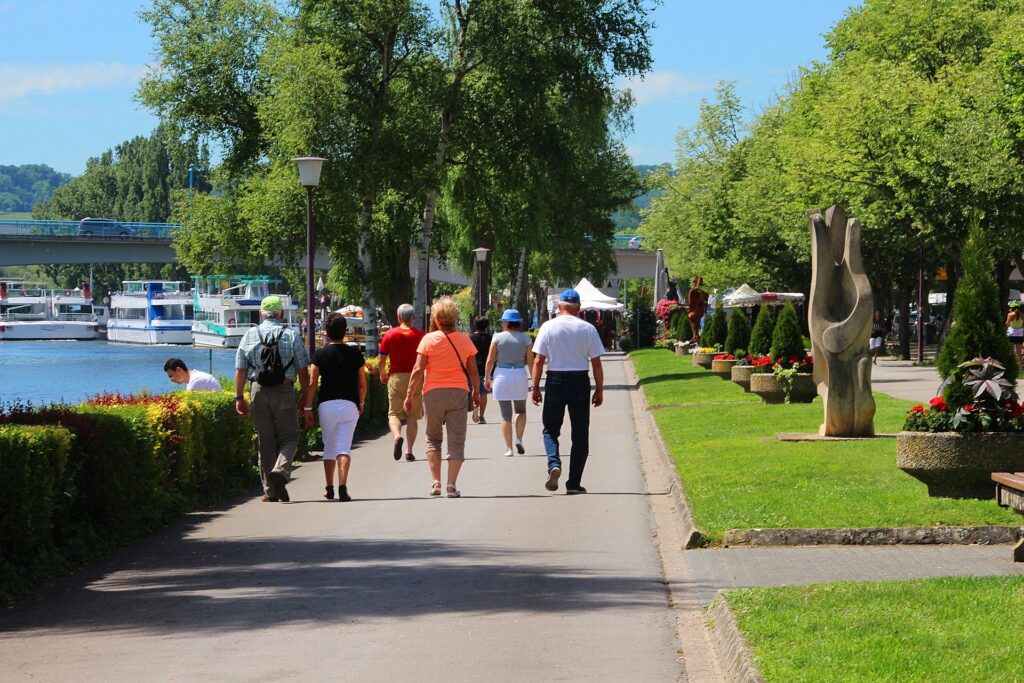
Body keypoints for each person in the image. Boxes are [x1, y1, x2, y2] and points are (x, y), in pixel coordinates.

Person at [234, 295, 312, 503]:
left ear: (260, 314)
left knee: (265, 440)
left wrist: (239, 397)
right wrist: (306, 396)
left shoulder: (250, 335)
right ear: (281, 314)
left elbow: (241, 370)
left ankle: (269, 490)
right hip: (284, 390)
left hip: (257, 390)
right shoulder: (291, 335)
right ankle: (281, 471)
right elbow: (303, 370)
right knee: (290, 437)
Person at [531, 288, 605, 495]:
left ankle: (554, 463)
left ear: (559, 306)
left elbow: (538, 360)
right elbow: (596, 363)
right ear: (579, 308)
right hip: (580, 379)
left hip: (555, 379)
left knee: (550, 428)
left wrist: (535, 387)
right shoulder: (588, 328)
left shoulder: (548, 327)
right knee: (580, 434)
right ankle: (573, 483)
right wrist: (599, 389)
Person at [404, 297, 480, 498]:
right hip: (458, 392)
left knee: (432, 438)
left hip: (433, 393)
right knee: (456, 440)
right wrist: (477, 394)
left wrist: (410, 394)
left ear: (436, 318)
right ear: (454, 318)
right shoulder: (465, 339)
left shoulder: (428, 340)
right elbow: (473, 372)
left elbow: (418, 369)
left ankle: (435, 482)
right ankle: (451, 485)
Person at [305, 312, 366, 502]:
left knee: (329, 447)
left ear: (326, 333)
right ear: (345, 331)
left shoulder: (319, 355)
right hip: (349, 404)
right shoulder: (355, 354)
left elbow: (313, 383)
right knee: (344, 448)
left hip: (327, 405)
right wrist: (361, 402)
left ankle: (329, 487)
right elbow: (362, 384)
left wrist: (308, 407)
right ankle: (343, 486)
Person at [378, 303, 426, 462]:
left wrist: (382, 374)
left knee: (394, 414)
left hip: (396, 378)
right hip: (416, 378)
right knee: (412, 417)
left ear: (399, 317)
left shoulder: (390, 335)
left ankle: (397, 436)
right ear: (413, 318)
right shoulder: (421, 336)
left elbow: (382, 359)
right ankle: (409, 451)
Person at [484, 309, 534, 457]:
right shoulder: (526, 339)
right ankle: (519, 438)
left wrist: (487, 377)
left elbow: (490, 360)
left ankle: (509, 448)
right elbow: (531, 361)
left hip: (502, 375)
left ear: (506, 323)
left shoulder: (497, 338)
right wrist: (534, 381)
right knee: (521, 411)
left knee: (506, 415)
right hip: (519, 374)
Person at [469, 316, 493, 423]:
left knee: (474, 390)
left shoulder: (471, 338)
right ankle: (482, 416)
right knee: (483, 393)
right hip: (486, 369)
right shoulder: (490, 338)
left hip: (473, 368)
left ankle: (475, 409)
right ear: (487, 326)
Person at [687, 275, 709, 346]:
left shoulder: (692, 291)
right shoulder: (705, 293)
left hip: (695, 311)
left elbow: (690, 302)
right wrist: (705, 312)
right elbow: (705, 304)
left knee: (691, 317)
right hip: (700, 312)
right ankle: (696, 337)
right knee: (697, 323)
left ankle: (695, 336)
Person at [1008, 301, 1024, 365]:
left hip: (1011, 333)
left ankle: (1011, 365)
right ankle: (1020, 365)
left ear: (1012, 308)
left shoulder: (1010, 315)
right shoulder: (1022, 315)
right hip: (1020, 334)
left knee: (1011, 351)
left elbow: (1007, 324)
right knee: (1019, 352)